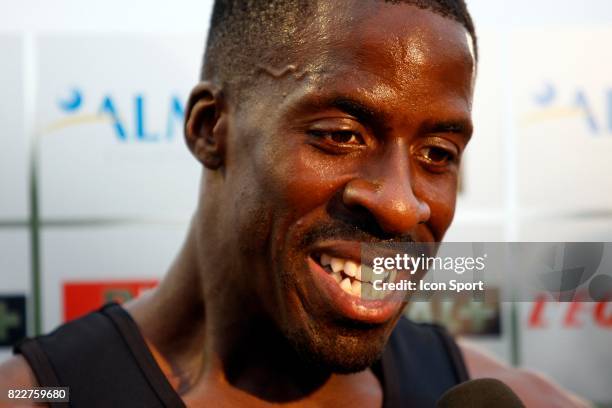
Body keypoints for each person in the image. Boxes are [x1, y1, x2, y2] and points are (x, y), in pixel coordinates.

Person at [0, 1, 591, 407]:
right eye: (339, 134)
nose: (401, 205)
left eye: (437, 152)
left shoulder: (515, 399)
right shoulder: (41, 394)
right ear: (211, 130)